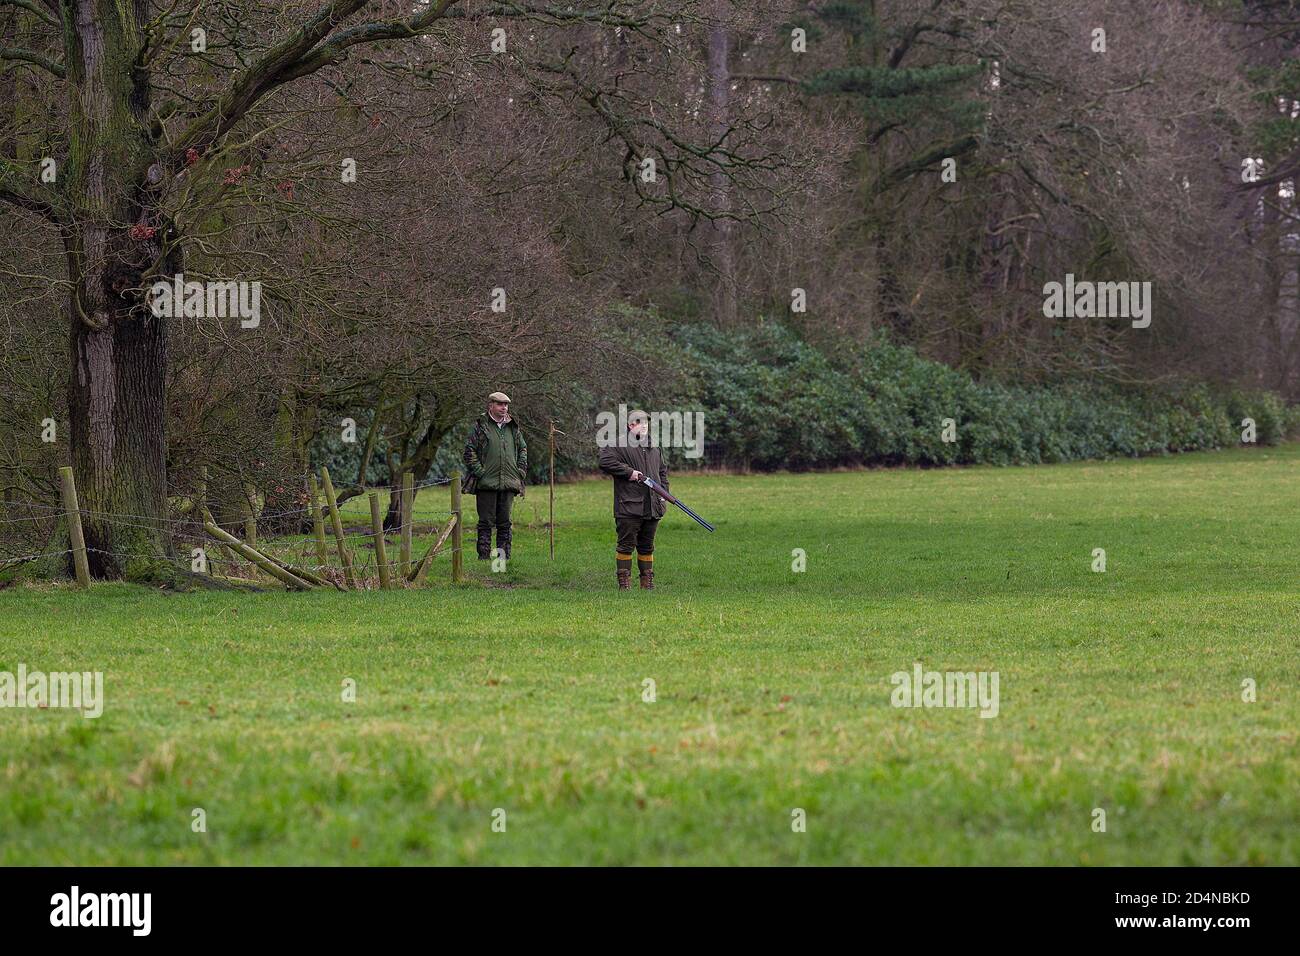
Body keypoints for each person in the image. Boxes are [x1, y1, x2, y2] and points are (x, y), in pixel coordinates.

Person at [597, 409, 667, 590]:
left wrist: (663, 495)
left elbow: (662, 473)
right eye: (639, 422)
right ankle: (624, 583)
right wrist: (630, 473)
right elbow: (605, 461)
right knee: (626, 545)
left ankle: (647, 583)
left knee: (647, 546)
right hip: (629, 505)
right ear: (630, 425)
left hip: (652, 505)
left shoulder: (654, 447)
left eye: (646, 422)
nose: (644, 425)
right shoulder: (617, 444)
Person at [463, 391, 526, 561]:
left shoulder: (513, 427)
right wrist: (480, 472)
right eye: (500, 404)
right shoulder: (481, 426)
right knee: (485, 523)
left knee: (505, 524)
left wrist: (520, 471)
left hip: (509, 482)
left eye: (506, 405)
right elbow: (469, 452)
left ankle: (502, 561)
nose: (504, 408)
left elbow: (522, 449)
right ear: (491, 405)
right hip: (486, 484)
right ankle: (484, 558)